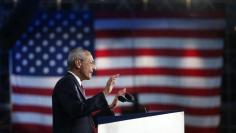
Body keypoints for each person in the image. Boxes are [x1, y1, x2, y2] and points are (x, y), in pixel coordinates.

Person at [52, 48, 126, 133]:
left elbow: (86, 120)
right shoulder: (66, 82)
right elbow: (76, 110)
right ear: (78, 63)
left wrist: (109, 107)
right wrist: (105, 92)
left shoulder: (76, 84)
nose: (94, 67)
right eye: (91, 63)